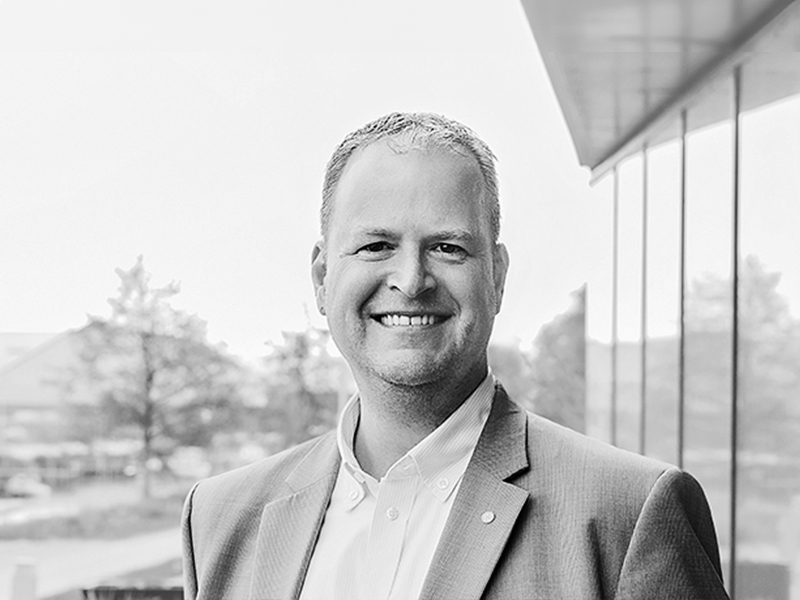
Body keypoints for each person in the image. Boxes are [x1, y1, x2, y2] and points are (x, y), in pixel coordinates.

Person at [181, 112, 730, 600]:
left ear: (498, 277)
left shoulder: (629, 515)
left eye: (448, 247)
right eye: (376, 246)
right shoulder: (217, 519)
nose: (410, 280)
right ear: (323, 278)